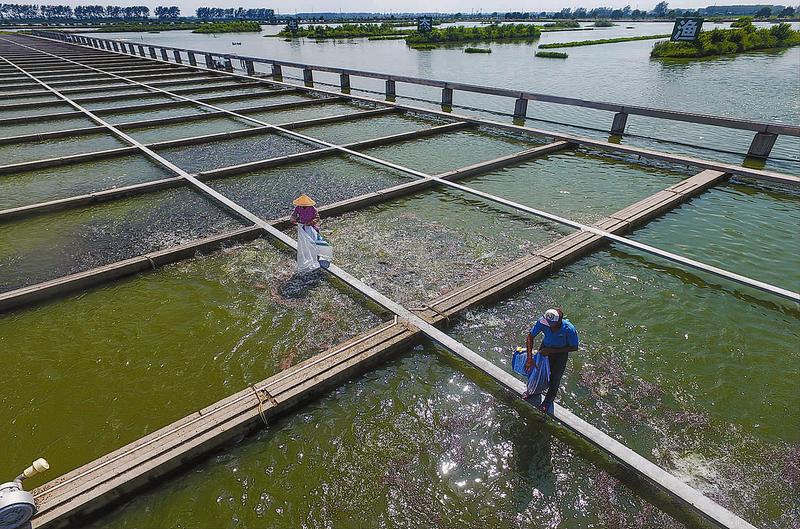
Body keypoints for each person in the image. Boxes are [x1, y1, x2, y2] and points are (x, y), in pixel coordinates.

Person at [524, 308, 579, 415]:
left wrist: (552, 351)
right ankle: (533, 391)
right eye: (546, 322)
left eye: (550, 323)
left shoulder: (569, 329)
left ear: (559, 321)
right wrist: (529, 358)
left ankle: (547, 401)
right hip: (545, 349)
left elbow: (574, 347)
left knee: (555, 378)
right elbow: (530, 336)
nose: (547, 324)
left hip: (560, 354)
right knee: (537, 372)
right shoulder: (542, 322)